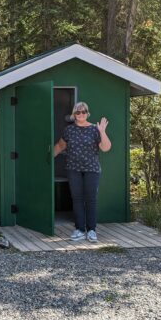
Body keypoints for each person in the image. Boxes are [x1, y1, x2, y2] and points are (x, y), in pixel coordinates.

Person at [53, 101, 111, 242]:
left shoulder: (95, 129)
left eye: (83, 111)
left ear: (87, 113)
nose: (81, 114)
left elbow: (106, 148)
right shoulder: (69, 130)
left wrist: (102, 131)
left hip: (92, 169)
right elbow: (60, 146)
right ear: (74, 114)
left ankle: (91, 230)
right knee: (77, 199)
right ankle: (79, 229)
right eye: (78, 112)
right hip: (74, 169)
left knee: (90, 199)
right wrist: (45, 160)